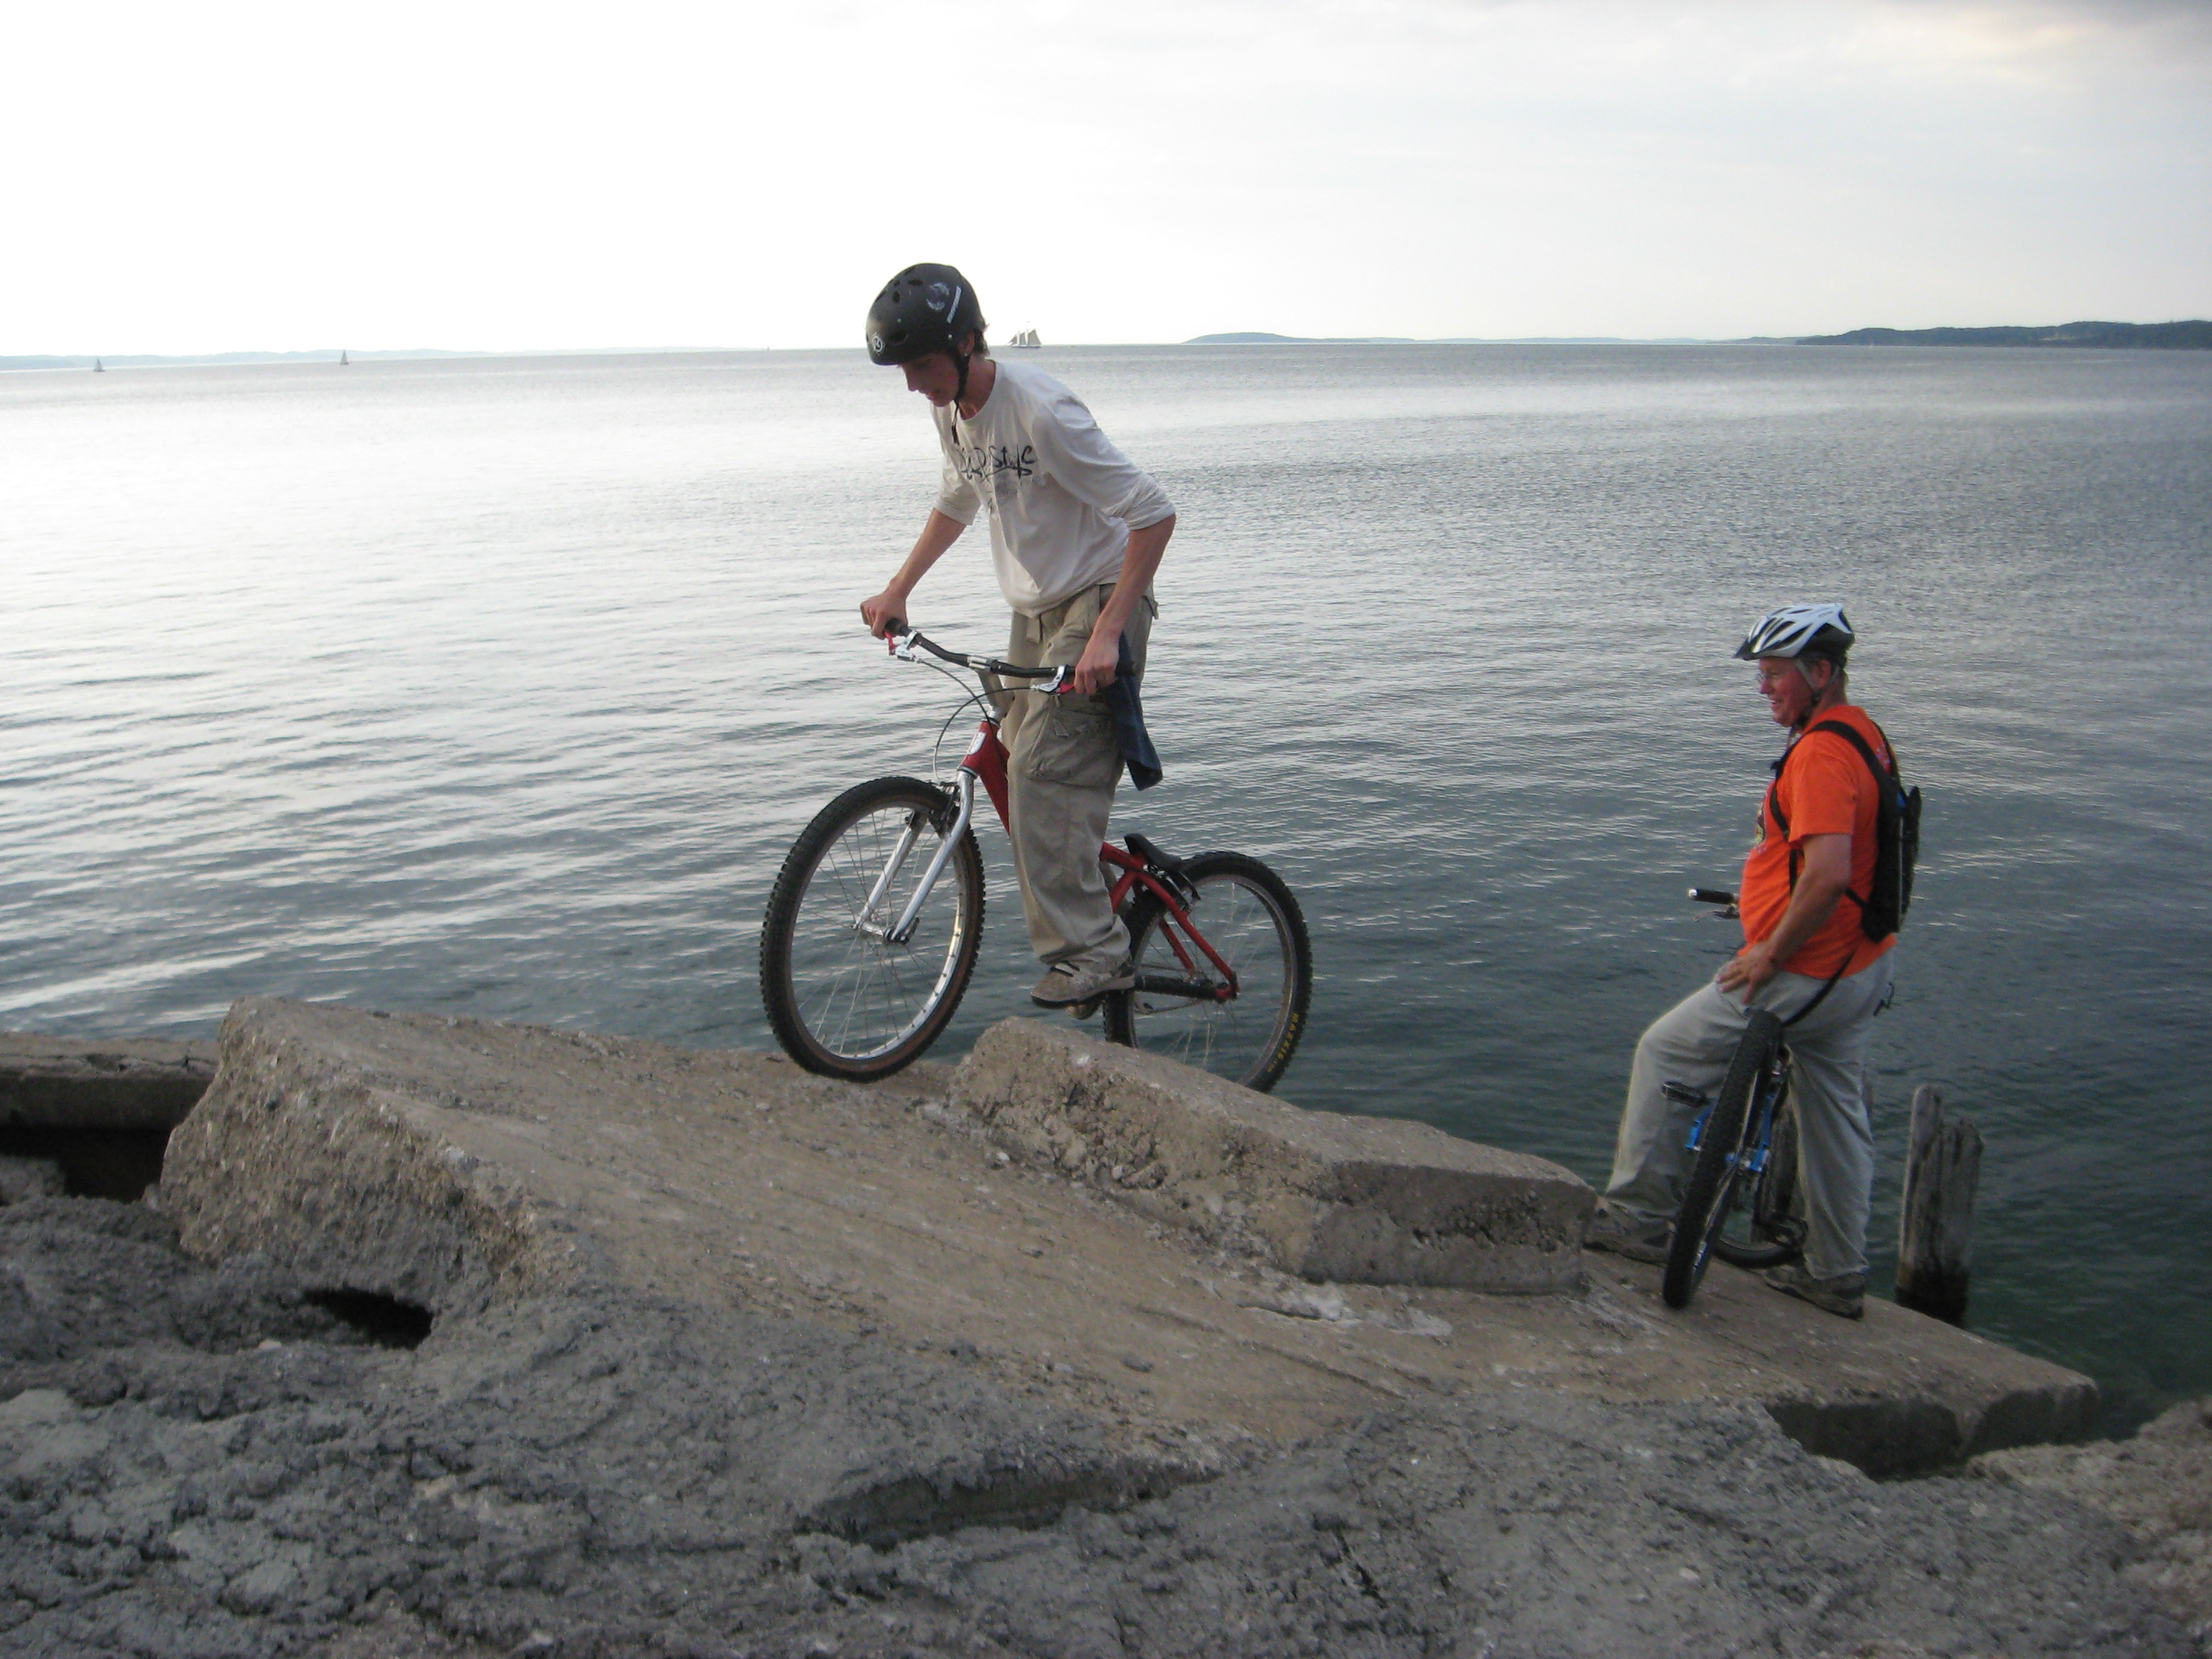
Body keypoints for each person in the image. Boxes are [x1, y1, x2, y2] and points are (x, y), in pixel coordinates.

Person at [857, 264, 1178, 1010]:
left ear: (968, 343)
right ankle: (1096, 897)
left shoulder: (1042, 412)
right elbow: (957, 497)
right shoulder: (952, 412)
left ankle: (1095, 954)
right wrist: (899, 589)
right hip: (1034, 612)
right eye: (903, 370)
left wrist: (1107, 634)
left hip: (1100, 600)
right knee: (1015, 761)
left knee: (1043, 772)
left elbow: (1154, 513)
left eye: (922, 365)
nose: (913, 384)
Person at [1586, 604, 1899, 1319]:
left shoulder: (1819, 755)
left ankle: (1638, 1219)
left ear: (1821, 672)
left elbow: (1827, 875)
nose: (1763, 688)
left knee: (1667, 1051)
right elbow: (1849, 861)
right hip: (1864, 965)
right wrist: (1760, 904)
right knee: (1834, 1115)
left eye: (1775, 674)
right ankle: (1837, 1274)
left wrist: (1769, 950)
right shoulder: (1865, 735)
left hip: (1808, 970)